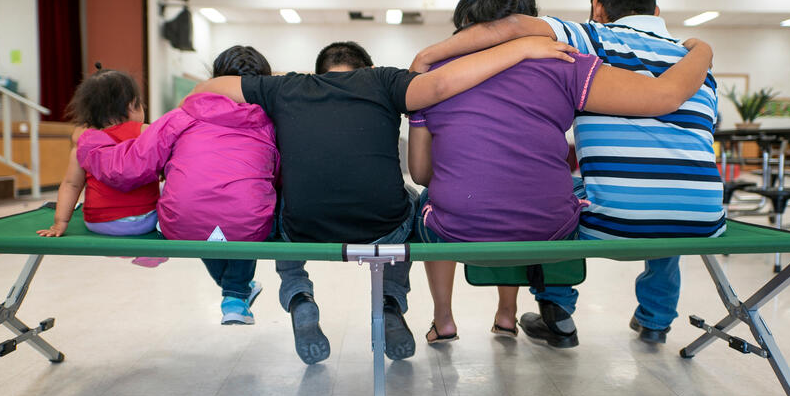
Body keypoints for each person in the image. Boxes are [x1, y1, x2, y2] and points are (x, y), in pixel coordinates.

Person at [192, 36, 576, 365]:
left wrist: (283, 80)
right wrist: (523, 47)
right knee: (412, 203)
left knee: (282, 205)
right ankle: (391, 302)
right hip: (381, 225)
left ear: (318, 72)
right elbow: (441, 85)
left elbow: (205, 89)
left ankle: (298, 294)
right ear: (369, 67)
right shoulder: (384, 80)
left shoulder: (287, 88)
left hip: (305, 228)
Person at [412, 0, 724, 346]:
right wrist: (704, 49)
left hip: (479, 225)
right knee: (577, 194)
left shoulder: (583, 41)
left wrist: (426, 59)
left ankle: (504, 313)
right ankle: (642, 318)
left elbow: (423, 172)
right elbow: (662, 96)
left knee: (544, 195)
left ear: (597, 6)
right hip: (686, 216)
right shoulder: (580, 59)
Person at [76, 46, 280, 325]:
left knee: (201, 217)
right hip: (247, 223)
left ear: (214, 78)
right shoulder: (271, 123)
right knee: (242, 211)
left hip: (182, 224)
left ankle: (237, 291)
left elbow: (128, 167)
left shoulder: (181, 116)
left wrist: (90, 144)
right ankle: (235, 293)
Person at [37, 67, 165, 268]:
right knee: (167, 190)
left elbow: (71, 185)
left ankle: (121, 250)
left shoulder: (84, 145)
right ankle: (156, 251)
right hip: (144, 222)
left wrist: (60, 223)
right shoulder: (146, 132)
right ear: (132, 106)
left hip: (98, 223)